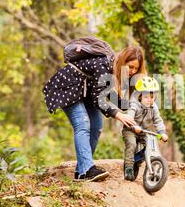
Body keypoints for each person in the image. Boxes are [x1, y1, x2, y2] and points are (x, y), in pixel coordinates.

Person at [43, 44, 147, 182]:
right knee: (83, 124)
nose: (133, 71)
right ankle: (87, 169)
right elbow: (99, 98)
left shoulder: (111, 69)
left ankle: (81, 172)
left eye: (136, 68)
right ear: (123, 61)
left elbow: (107, 92)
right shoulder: (103, 65)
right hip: (67, 87)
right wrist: (117, 114)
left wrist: (130, 106)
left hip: (86, 92)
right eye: (131, 66)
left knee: (97, 126)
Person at [122, 76, 168, 181]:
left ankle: (142, 162)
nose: (149, 100)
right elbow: (129, 116)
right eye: (146, 97)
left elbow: (158, 120)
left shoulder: (154, 107)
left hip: (144, 131)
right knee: (132, 144)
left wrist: (162, 133)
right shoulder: (134, 105)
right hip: (130, 129)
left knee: (152, 145)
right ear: (139, 96)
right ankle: (128, 167)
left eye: (151, 97)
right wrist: (133, 126)